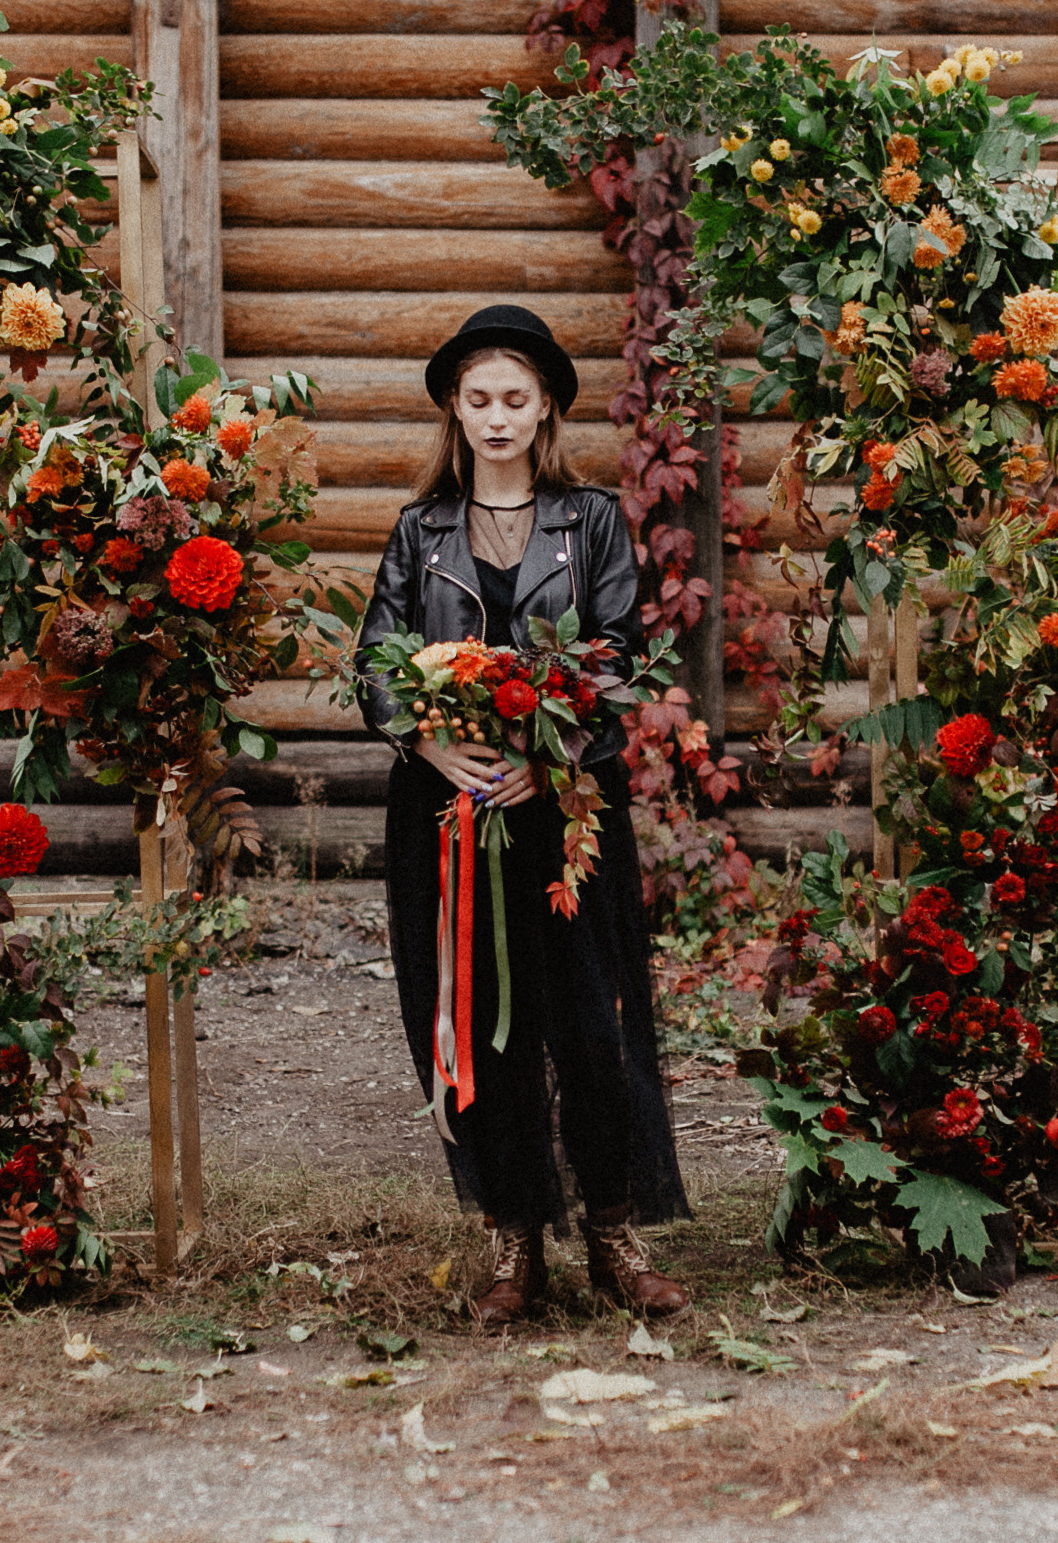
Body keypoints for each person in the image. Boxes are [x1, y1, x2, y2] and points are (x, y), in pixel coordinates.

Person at [358, 305, 690, 1325]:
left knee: (592, 1023)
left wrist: (551, 762)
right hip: (450, 818)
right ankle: (513, 1241)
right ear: (453, 412)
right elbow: (376, 662)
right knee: (477, 1029)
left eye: (514, 398)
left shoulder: (587, 520)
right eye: (478, 399)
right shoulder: (420, 531)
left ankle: (612, 1233)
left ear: (544, 405)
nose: (496, 417)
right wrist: (425, 741)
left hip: (566, 809)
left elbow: (619, 659)